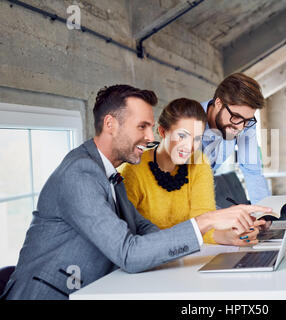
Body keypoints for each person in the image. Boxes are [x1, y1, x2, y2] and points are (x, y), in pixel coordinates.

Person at [1, 85, 271, 300]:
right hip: (51, 294)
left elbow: (144, 230)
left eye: (151, 127)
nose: (149, 136)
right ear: (110, 124)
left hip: (97, 290)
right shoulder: (80, 174)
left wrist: (209, 244)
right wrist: (208, 221)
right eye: (141, 127)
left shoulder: (110, 172)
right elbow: (129, 253)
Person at [119, 98, 265, 246]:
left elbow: (204, 223)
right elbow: (130, 237)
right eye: (182, 136)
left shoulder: (199, 163)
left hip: (187, 255)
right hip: (152, 258)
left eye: (197, 139)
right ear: (163, 131)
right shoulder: (133, 170)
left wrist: (229, 237)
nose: (189, 147)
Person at [201, 73, 270, 205]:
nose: (240, 127)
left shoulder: (245, 125)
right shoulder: (188, 121)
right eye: (236, 117)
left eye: (247, 120)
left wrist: (263, 212)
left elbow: (252, 169)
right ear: (219, 103)